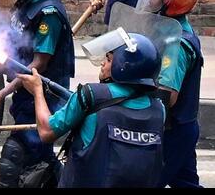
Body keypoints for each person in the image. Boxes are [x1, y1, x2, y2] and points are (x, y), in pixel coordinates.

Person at [18, 28, 166, 187]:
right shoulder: (159, 109)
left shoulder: (91, 94)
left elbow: (47, 131)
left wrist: (37, 91)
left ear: (125, 66)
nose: (103, 63)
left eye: (109, 60)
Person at [0, 0, 75, 188]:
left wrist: (5, 90)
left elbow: (38, 65)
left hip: (43, 98)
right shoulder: (27, 3)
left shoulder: (47, 13)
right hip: (25, 97)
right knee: (36, 164)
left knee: (20, 164)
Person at [134, 0, 204, 188]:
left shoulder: (176, 42)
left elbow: (167, 95)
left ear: (174, 1)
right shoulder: (170, 28)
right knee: (185, 182)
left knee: (148, 181)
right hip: (183, 125)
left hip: (171, 129)